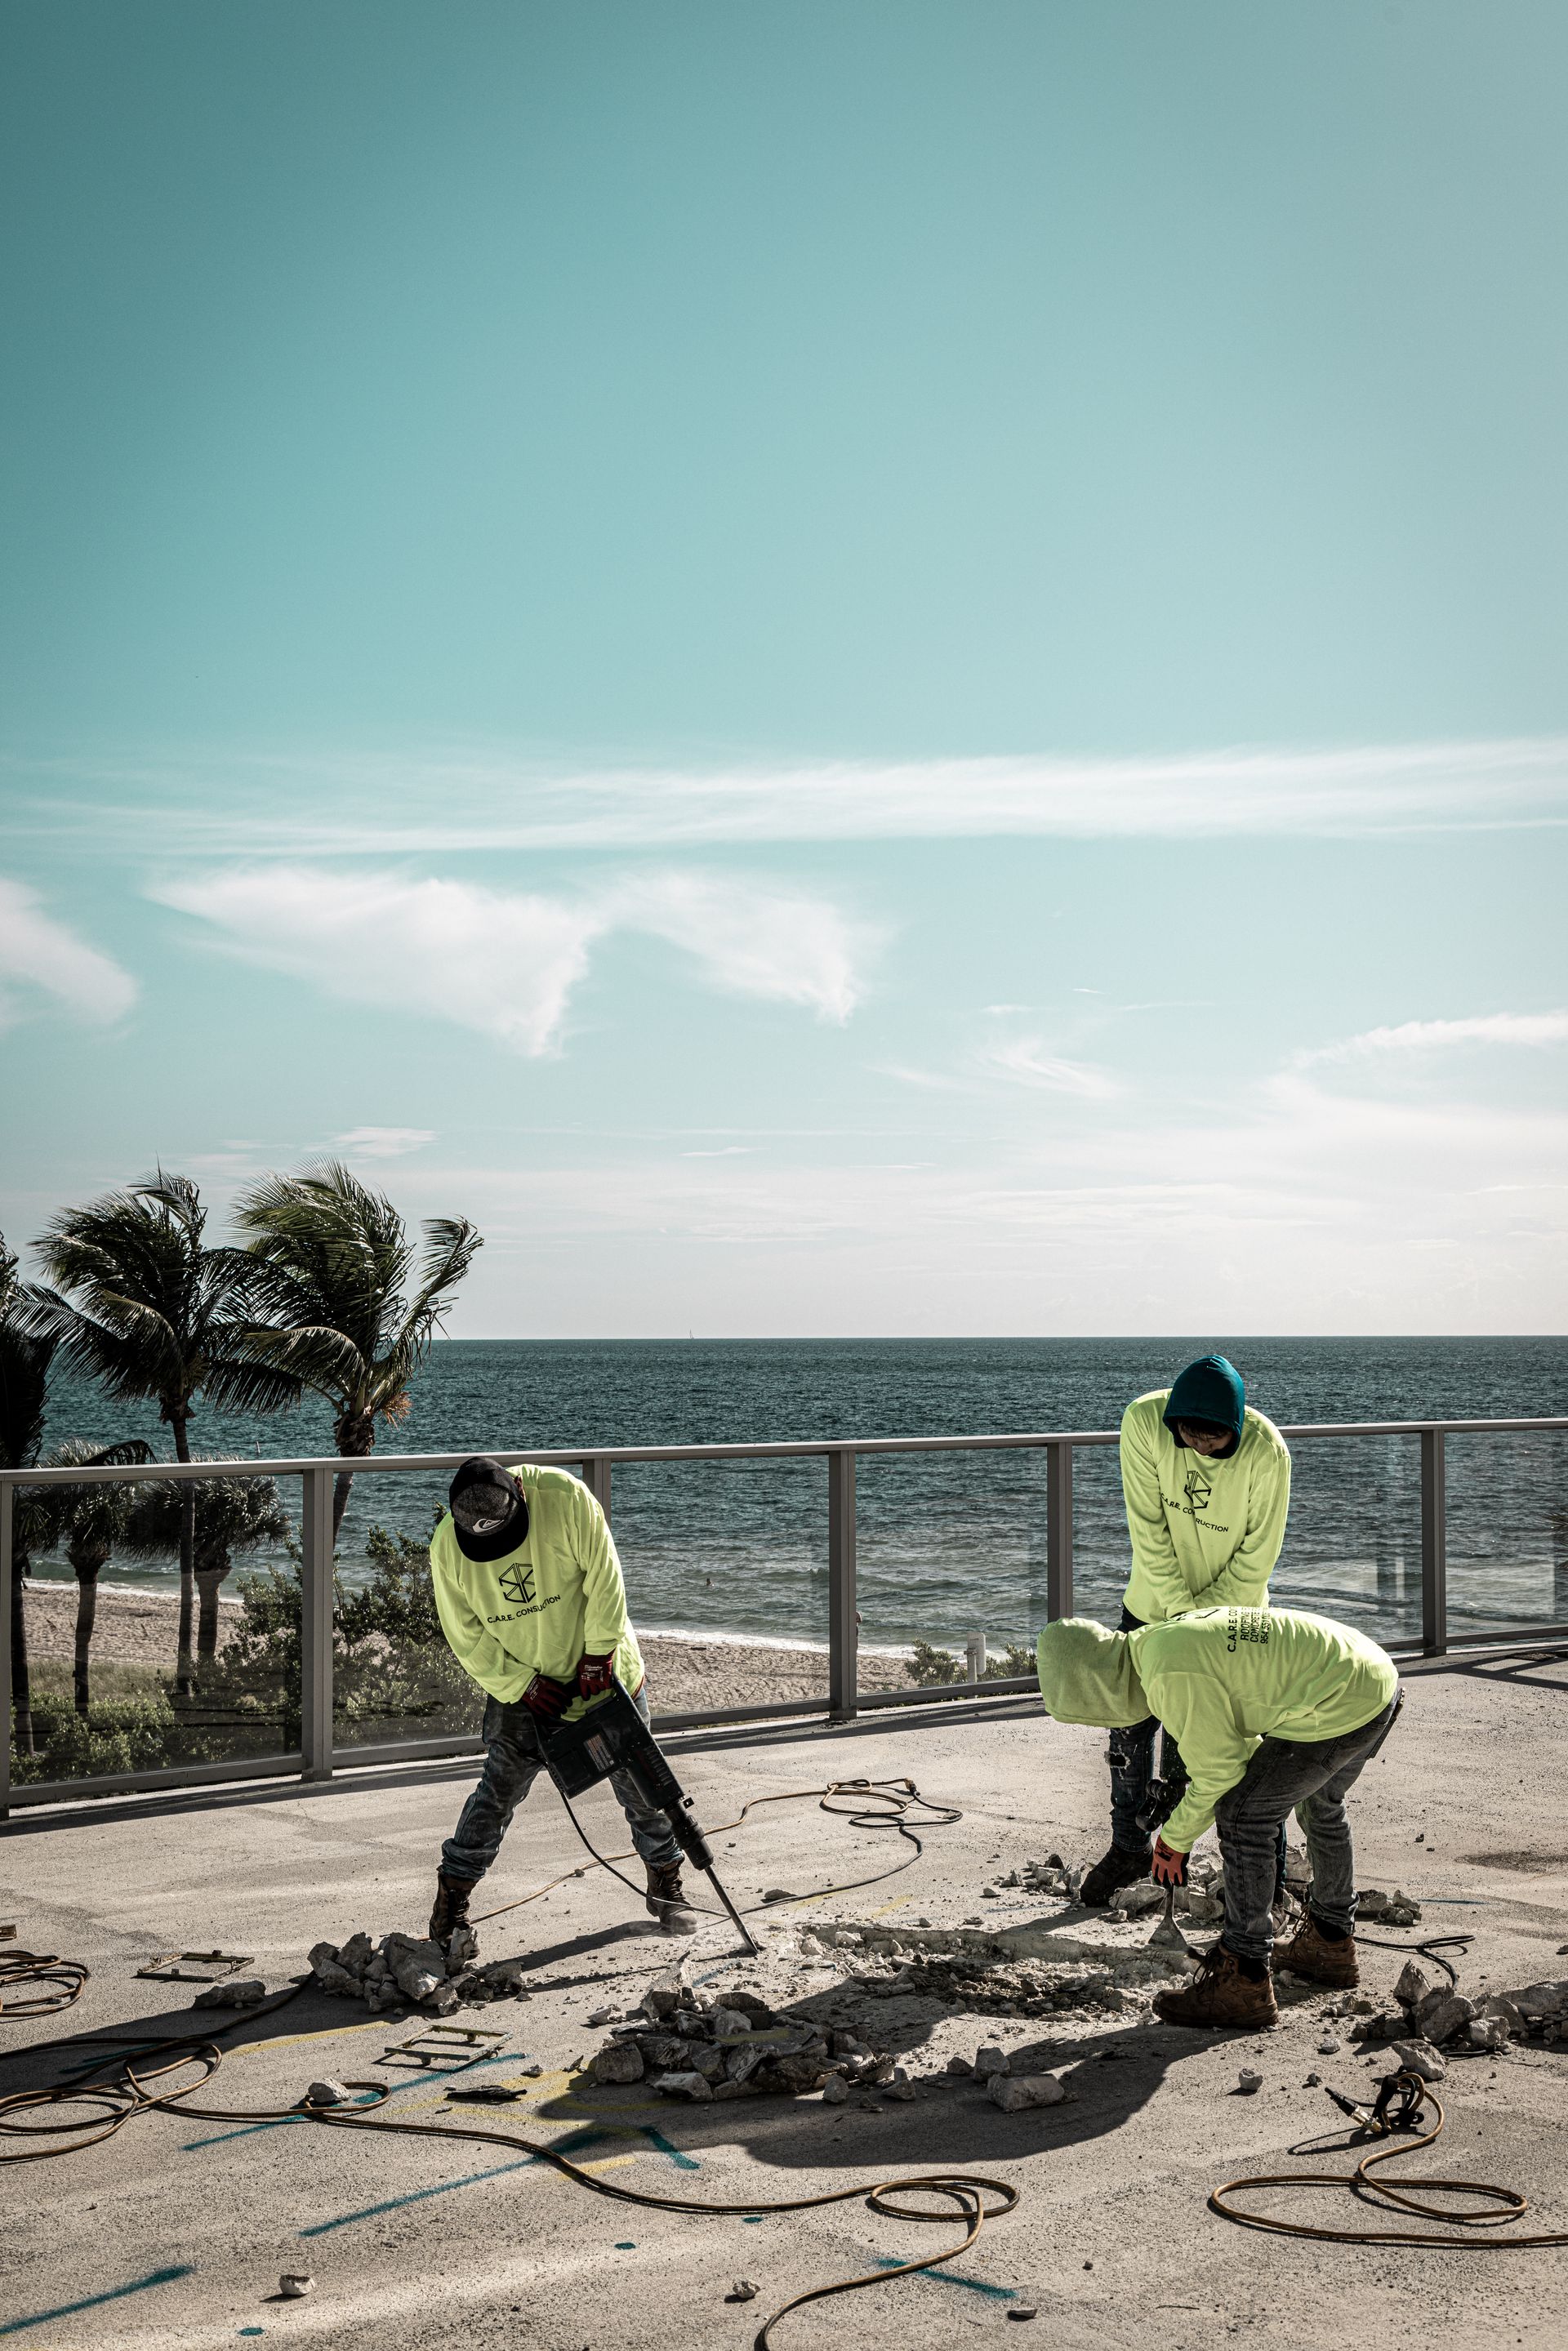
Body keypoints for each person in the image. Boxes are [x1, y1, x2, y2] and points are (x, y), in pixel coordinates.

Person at [1037, 1605, 1401, 2028]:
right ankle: (1331, 1942)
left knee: (1244, 1816)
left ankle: (1243, 1979)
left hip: (1341, 1700)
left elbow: (1222, 1773)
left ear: (1094, 1682)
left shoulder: (1168, 1675)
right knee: (1320, 1805)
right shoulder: (1157, 1642)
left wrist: (1174, 1839)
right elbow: (1241, 1750)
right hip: (1371, 1679)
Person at [426, 1455, 693, 1949]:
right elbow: (464, 1635)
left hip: (604, 1670)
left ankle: (666, 1883)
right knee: (498, 1792)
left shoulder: (564, 1497)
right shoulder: (447, 1547)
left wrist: (598, 1653)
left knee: (642, 1785)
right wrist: (523, 1684)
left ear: (521, 1495)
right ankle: (452, 1903)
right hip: (523, 1687)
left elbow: (605, 1576)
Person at [1079, 1353, 1292, 1908]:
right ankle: (1129, 1845)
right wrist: (1177, 1620)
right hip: (1152, 1605)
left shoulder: (1269, 1455)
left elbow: (1254, 1561)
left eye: (1212, 1441)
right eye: (1189, 1438)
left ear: (1236, 1431)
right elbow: (1148, 1530)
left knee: (1235, 1739)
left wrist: (1198, 1630)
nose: (1198, 1447)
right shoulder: (1144, 1422)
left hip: (1235, 1621)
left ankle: (1265, 1865)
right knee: (1130, 1729)